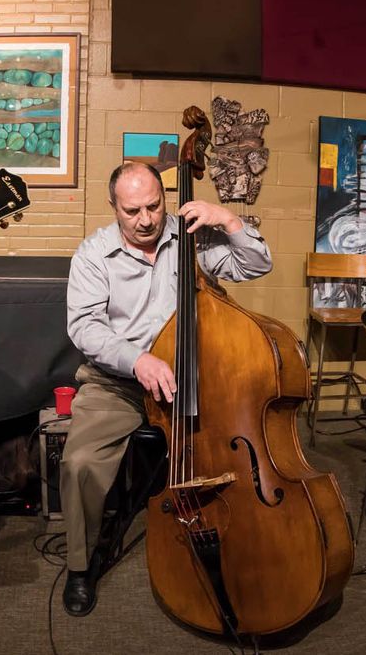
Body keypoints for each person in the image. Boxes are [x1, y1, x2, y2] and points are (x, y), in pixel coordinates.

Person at [61, 162, 272, 616]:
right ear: (114, 207)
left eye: (154, 206)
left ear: (165, 198)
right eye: (132, 209)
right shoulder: (93, 254)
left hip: (190, 380)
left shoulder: (193, 237)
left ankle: (237, 535)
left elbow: (257, 265)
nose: (146, 219)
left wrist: (230, 221)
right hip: (117, 383)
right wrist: (136, 359)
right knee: (80, 462)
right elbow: (84, 328)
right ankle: (81, 566)